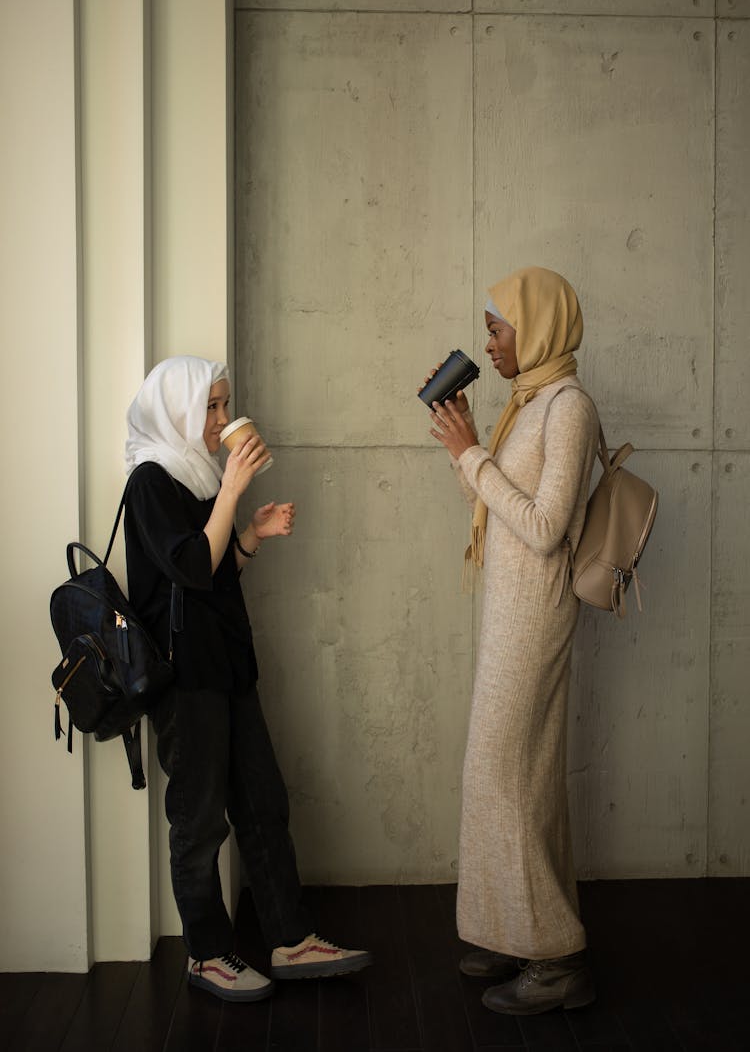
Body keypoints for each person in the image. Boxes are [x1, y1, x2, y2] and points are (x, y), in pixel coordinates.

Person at [123, 355, 372, 1003]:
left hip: (228, 668)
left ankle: (291, 939)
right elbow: (188, 569)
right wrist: (232, 493)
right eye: (209, 405)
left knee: (263, 803)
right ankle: (206, 953)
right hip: (186, 680)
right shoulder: (151, 480)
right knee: (200, 820)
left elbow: (217, 569)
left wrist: (252, 534)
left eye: (225, 403)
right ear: (176, 411)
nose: (222, 418)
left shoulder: (201, 475)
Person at [426, 267, 599, 1015]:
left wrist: (472, 455)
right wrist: (462, 445)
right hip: (509, 613)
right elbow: (499, 507)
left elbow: (544, 525)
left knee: (507, 778)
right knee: (510, 777)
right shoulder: (527, 404)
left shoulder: (569, 407)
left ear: (537, 328)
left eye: (498, 328)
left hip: (537, 615)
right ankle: (513, 926)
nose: (489, 342)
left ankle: (556, 963)